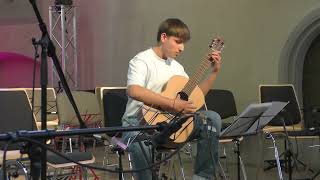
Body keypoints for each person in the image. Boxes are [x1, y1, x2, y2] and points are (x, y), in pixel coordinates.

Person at [122, 18, 222, 180]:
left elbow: (195, 97)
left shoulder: (177, 68)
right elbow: (134, 90)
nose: (182, 48)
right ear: (163, 37)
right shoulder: (142, 60)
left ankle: (203, 177)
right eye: (178, 42)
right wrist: (172, 104)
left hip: (173, 124)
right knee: (138, 142)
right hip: (138, 124)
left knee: (211, 118)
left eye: (184, 44)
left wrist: (214, 72)